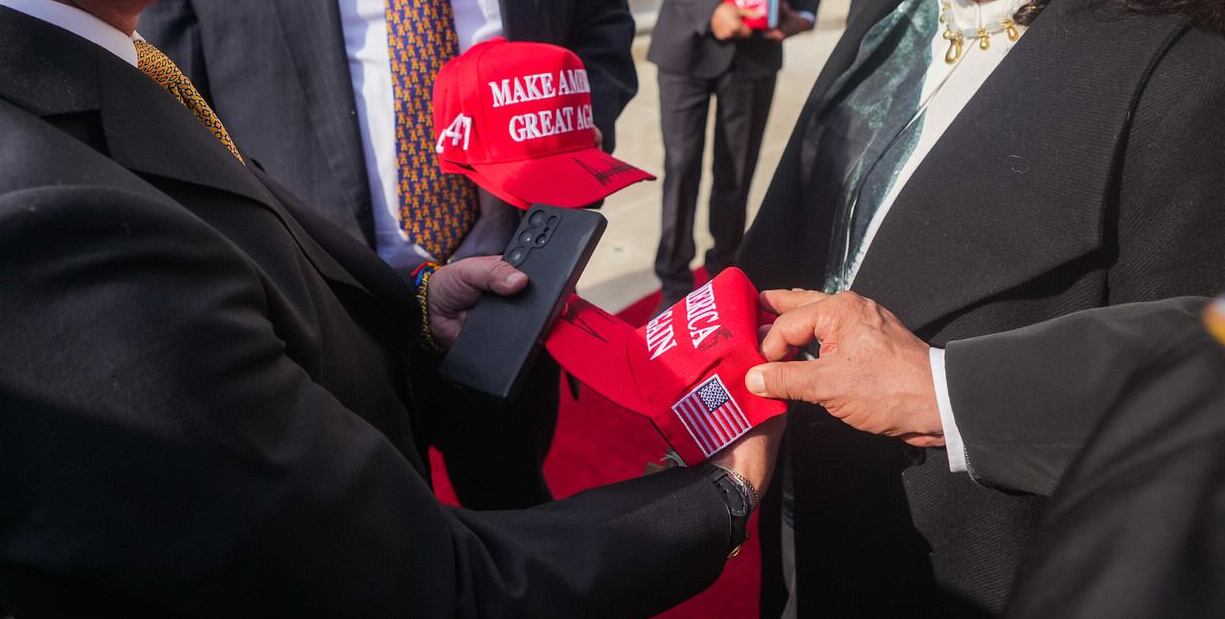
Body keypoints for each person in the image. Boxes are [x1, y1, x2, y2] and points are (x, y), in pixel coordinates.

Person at [0, 0, 784, 615]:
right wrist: (717, 494)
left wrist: (410, 309)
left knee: (509, 481)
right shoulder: (50, 217)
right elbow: (415, 585)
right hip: (331, 441)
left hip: (479, 301)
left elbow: (598, 34)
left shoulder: (106, 62)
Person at [734, 0, 1225, 612]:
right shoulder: (895, 15)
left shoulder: (1206, 97)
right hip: (789, 516)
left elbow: (1219, 438)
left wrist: (949, 393)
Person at [138, 0, 640, 509]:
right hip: (326, 305)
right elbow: (163, 106)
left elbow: (601, 22)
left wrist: (574, 126)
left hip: (513, 285)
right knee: (374, 542)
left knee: (515, 505)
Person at [647, 0, 819, 309]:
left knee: (737, 174)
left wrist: (805, 11)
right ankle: (674, 281)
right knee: (681, 168)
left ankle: (723, 275)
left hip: (755, 52)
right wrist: (708, 10)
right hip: (686, 41)